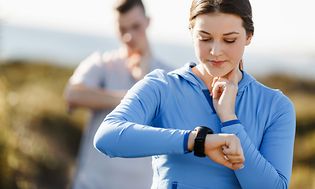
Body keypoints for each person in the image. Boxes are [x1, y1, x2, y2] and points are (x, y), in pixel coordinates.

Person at [94, 0, 296, 188]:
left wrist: (230, 120)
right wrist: (197, 141)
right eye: (205, 38)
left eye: (229, 40)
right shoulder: (162, 87)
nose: (215, 51)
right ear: (191, 32)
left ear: (248, 37)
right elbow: (107, 136)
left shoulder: (276, 106)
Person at [64, 0, 172, 188]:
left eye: (135, 26)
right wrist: (132, 97)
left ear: (148, 22)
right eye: (122, 29)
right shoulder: (101, 64)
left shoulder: (167, 75)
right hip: (91, 183)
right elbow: (73, 95)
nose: (129, 36)